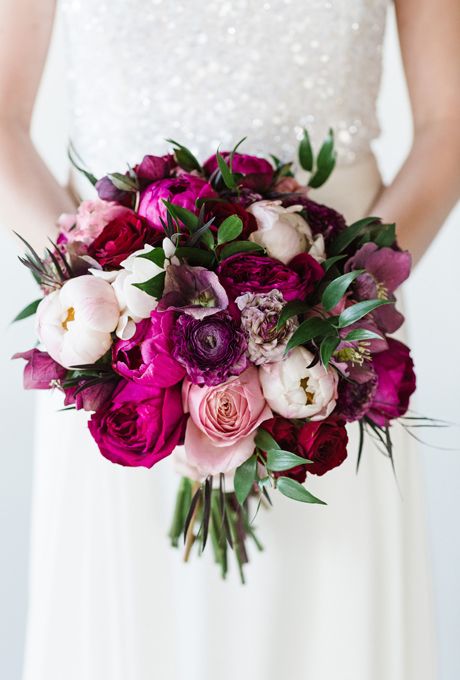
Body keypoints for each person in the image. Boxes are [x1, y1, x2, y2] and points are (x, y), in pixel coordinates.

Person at [0, 1, 459, 679]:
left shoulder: (330, 329)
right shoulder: (109, 326)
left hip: (331, 351)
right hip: (119, 345)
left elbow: (447, 122)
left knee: (327, 623)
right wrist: (96, 306)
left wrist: (330, 312)